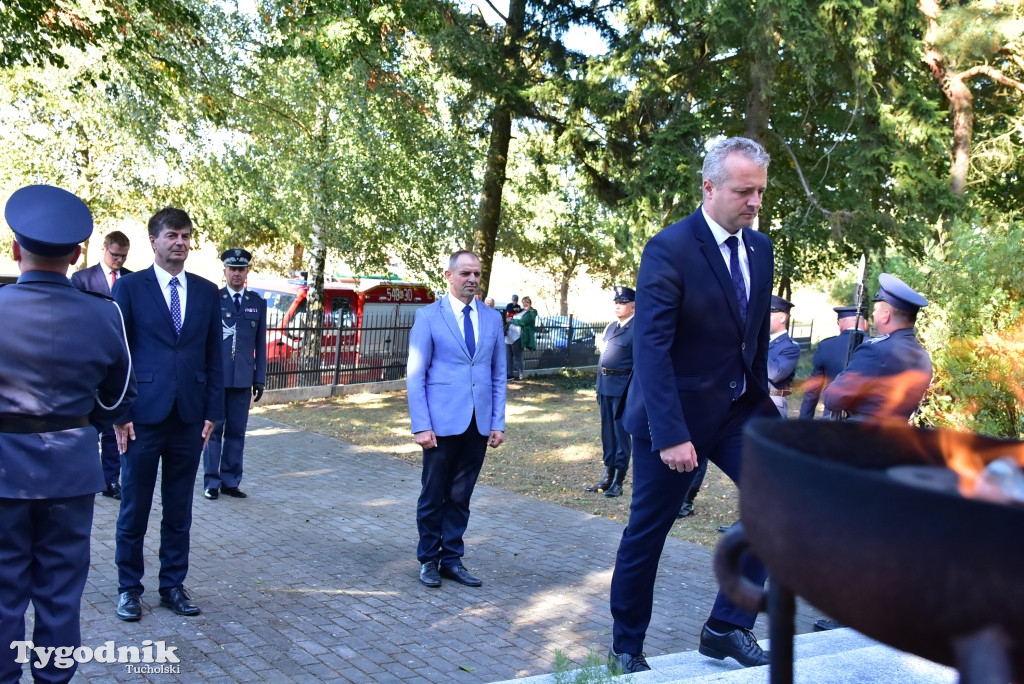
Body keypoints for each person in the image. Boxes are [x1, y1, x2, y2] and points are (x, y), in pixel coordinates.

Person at [608, 137, 780, 674]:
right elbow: (651, 348)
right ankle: (625, 646)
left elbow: (748, 338)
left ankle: (726, 627)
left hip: (736, 409)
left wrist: (762, 397)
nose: (754, 202)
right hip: (673, 417)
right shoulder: (670, 248)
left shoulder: (760, 249)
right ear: (709, 187)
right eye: (743, 191)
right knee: (649, 530)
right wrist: (671, 434)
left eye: (760, 192)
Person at [0, 185, 136, 683]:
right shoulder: (104, 312)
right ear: (79, 254)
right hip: (72, 471)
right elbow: (119, 396)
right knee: (59, 596)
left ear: (16, 249)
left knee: (2, 593)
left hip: (3, 471)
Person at [111, 207, 224, 621]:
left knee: (179, 510)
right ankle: (128, 588)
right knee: (134, 509)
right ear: (154, 241)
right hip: (141, 419)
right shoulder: (130, 288)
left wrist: (213, 410)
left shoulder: (207, 291)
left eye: (186, 236)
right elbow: (117, 356)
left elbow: (214, 357)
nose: (181, 243)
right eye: (173, 235)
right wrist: (120, 414)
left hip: (190, 420)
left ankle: (172, 585)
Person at [407, 250, 506, 588]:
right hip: (440, 424)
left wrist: (497, 421)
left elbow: (498, 375)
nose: (473, 280)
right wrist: (421, 424)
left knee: (461, 495)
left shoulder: (492, 319)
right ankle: (428, 560)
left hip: (477, 424)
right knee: (433, 494)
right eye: (465, 273)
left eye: (477, 274)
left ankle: (451, 558)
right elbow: (415, 374)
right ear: (448, 276)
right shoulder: (428, 316)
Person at [70, 230, 133, 500]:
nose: (119, 260)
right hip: (88, 361)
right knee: (87, 425)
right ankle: (86, 477)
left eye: (123, 256)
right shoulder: (82, 279)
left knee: (113, 423)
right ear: (104, 249)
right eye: (115, 254)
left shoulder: (131, 280)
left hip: (117, 361)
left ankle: (111, 480)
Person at [822, 273, 932, 422]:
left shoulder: (875, 351)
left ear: (886, 315)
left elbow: (833, 398)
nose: (873, 314)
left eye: (875, 310)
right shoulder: (922, 355)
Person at [203, 248, 267, 500]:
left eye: (241, 269)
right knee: (213, 430)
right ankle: (211, 482)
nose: (237, 274)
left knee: (237, 432)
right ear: (225, 271)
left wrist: (259, 378)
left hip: (242, 379)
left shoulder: (256, 303)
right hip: (216, 379)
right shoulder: (213, 300)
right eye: (232, 269)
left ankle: (231, 481)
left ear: (246, 272)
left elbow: (260, 345)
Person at [586, 286, 635, 498]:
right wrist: (598, 386)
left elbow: (639, 364)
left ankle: (619, 480)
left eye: (622, 302)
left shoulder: (638, 328)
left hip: (623, 388)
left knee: (621, 435)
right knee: (607, 434)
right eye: (616, 302)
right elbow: (602, 358)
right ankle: (607, 475)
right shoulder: (611, 327)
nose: (618, 305)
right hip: (605, 385)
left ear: (633, 306)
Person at [798, 306, 868, 420]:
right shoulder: (876, 345)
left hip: (832, 416)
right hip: (866, 421)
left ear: (840, 324)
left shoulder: (826, 346)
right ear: (865, 323)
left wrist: (804, 423)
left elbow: (812, 390)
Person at [767, 295, 802, 418]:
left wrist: (756, 346)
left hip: (772, 402)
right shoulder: (760, 342)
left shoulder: (790, 347)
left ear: (782, 318)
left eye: (769, 315)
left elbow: (775, 374)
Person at [506, 295, 538, 381]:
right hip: (509, 336)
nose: (525, 304)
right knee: (509, 357)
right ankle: (510, 374)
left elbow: (523, 322)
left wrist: (511, 320)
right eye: (523, 302)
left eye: (527, 302)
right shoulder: (521, 311)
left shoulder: (531, 312)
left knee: (518, 357)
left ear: (530, 303)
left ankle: (520, 375)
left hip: (518, 337)